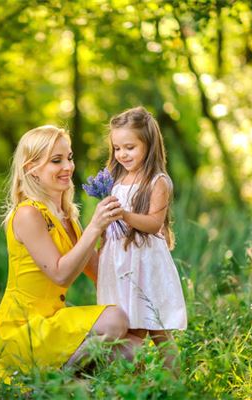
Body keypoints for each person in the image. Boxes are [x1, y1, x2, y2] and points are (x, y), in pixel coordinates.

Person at [0, 125, 141, 393]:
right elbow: (59, 274)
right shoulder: (28, 214)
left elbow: (99, 273)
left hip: (53, 324)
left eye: (69, 157)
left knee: (136, 349)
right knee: (114, 320)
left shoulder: (68, 217)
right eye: (56, 160)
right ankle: (49, 388)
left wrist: (129, 239)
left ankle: (72, 385)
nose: (67, 166)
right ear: (32, 168)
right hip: (25, 331)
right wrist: (95, 227)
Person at [97, 106, 187, 371]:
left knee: (156, 328)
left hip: (145, 263)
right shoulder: (114, 179)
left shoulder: (157, 181)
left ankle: (175, 381)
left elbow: (153, 223)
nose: (122, 154)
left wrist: (123, 214)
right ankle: (137, 384)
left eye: (130, 147)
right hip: (120, 263)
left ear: (148, 144)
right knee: (130, 331)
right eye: (117, 148)